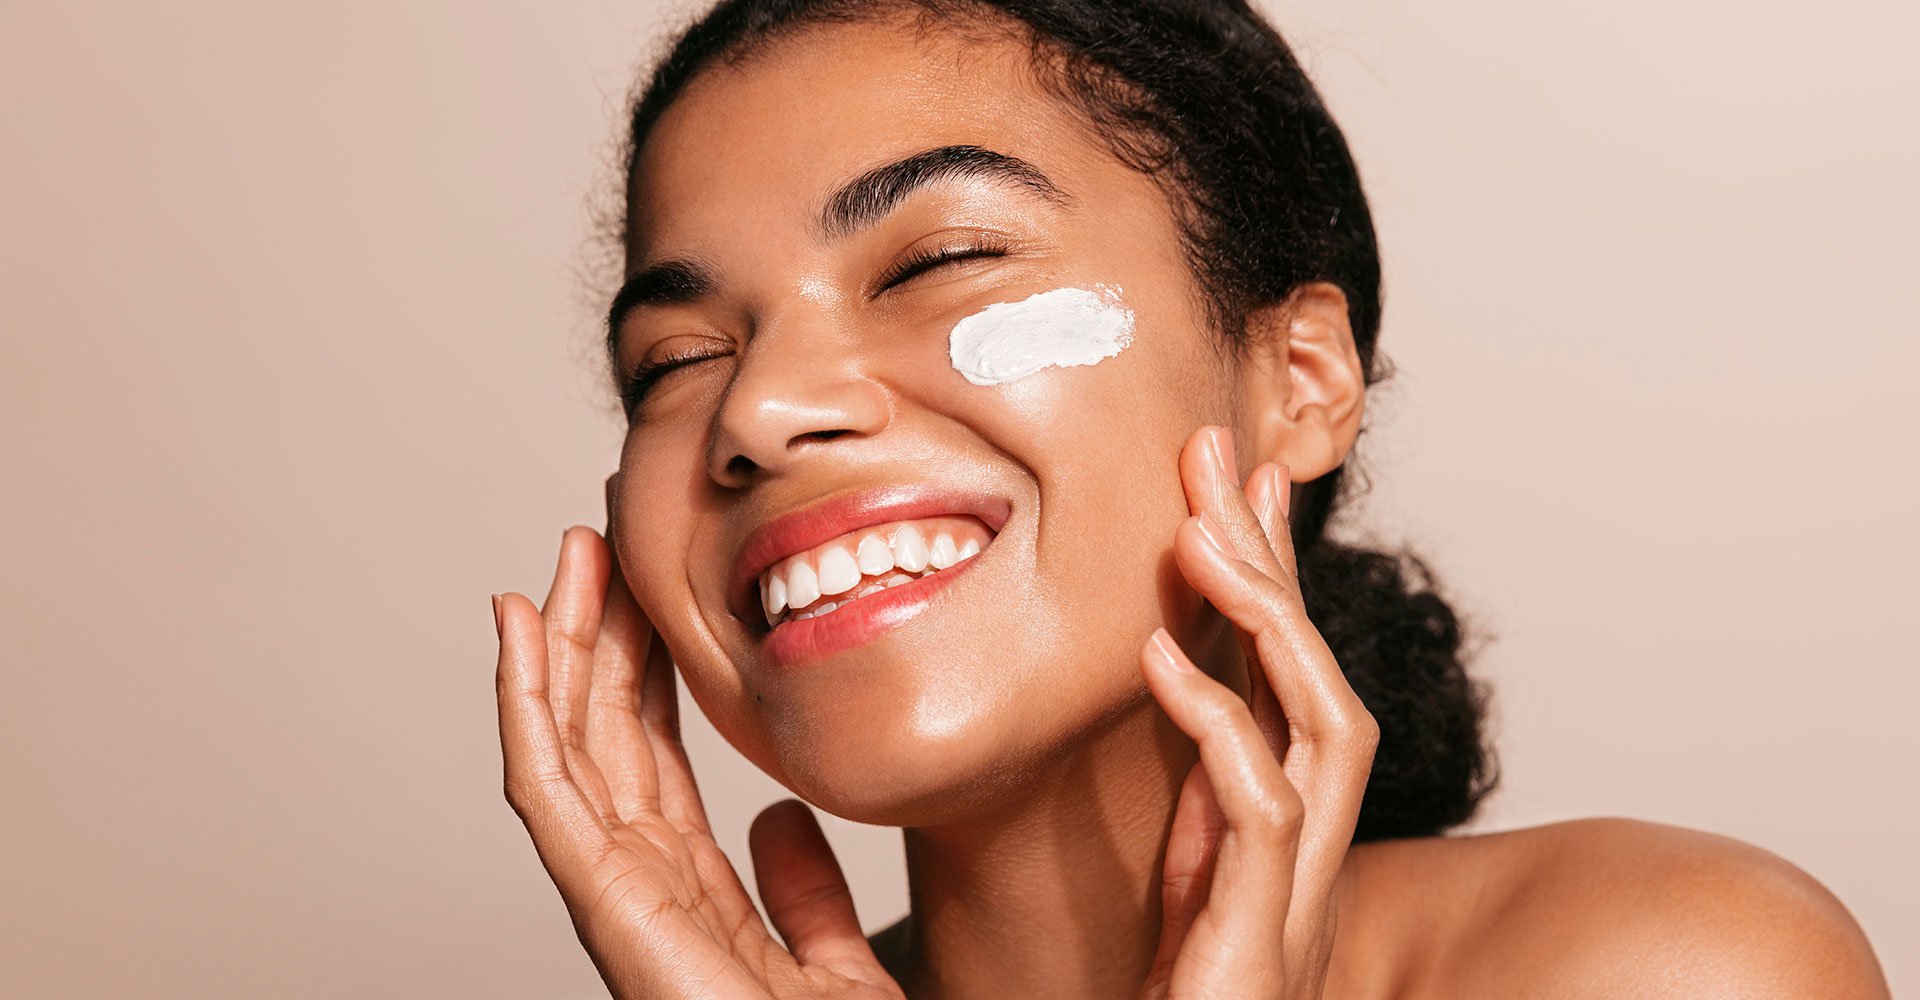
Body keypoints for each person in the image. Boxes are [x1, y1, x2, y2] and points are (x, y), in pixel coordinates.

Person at [492, 1, 1892, 995]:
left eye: (939, 259)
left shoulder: (1674, 965)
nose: (757, 409)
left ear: (1299, 379)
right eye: (675, 360)